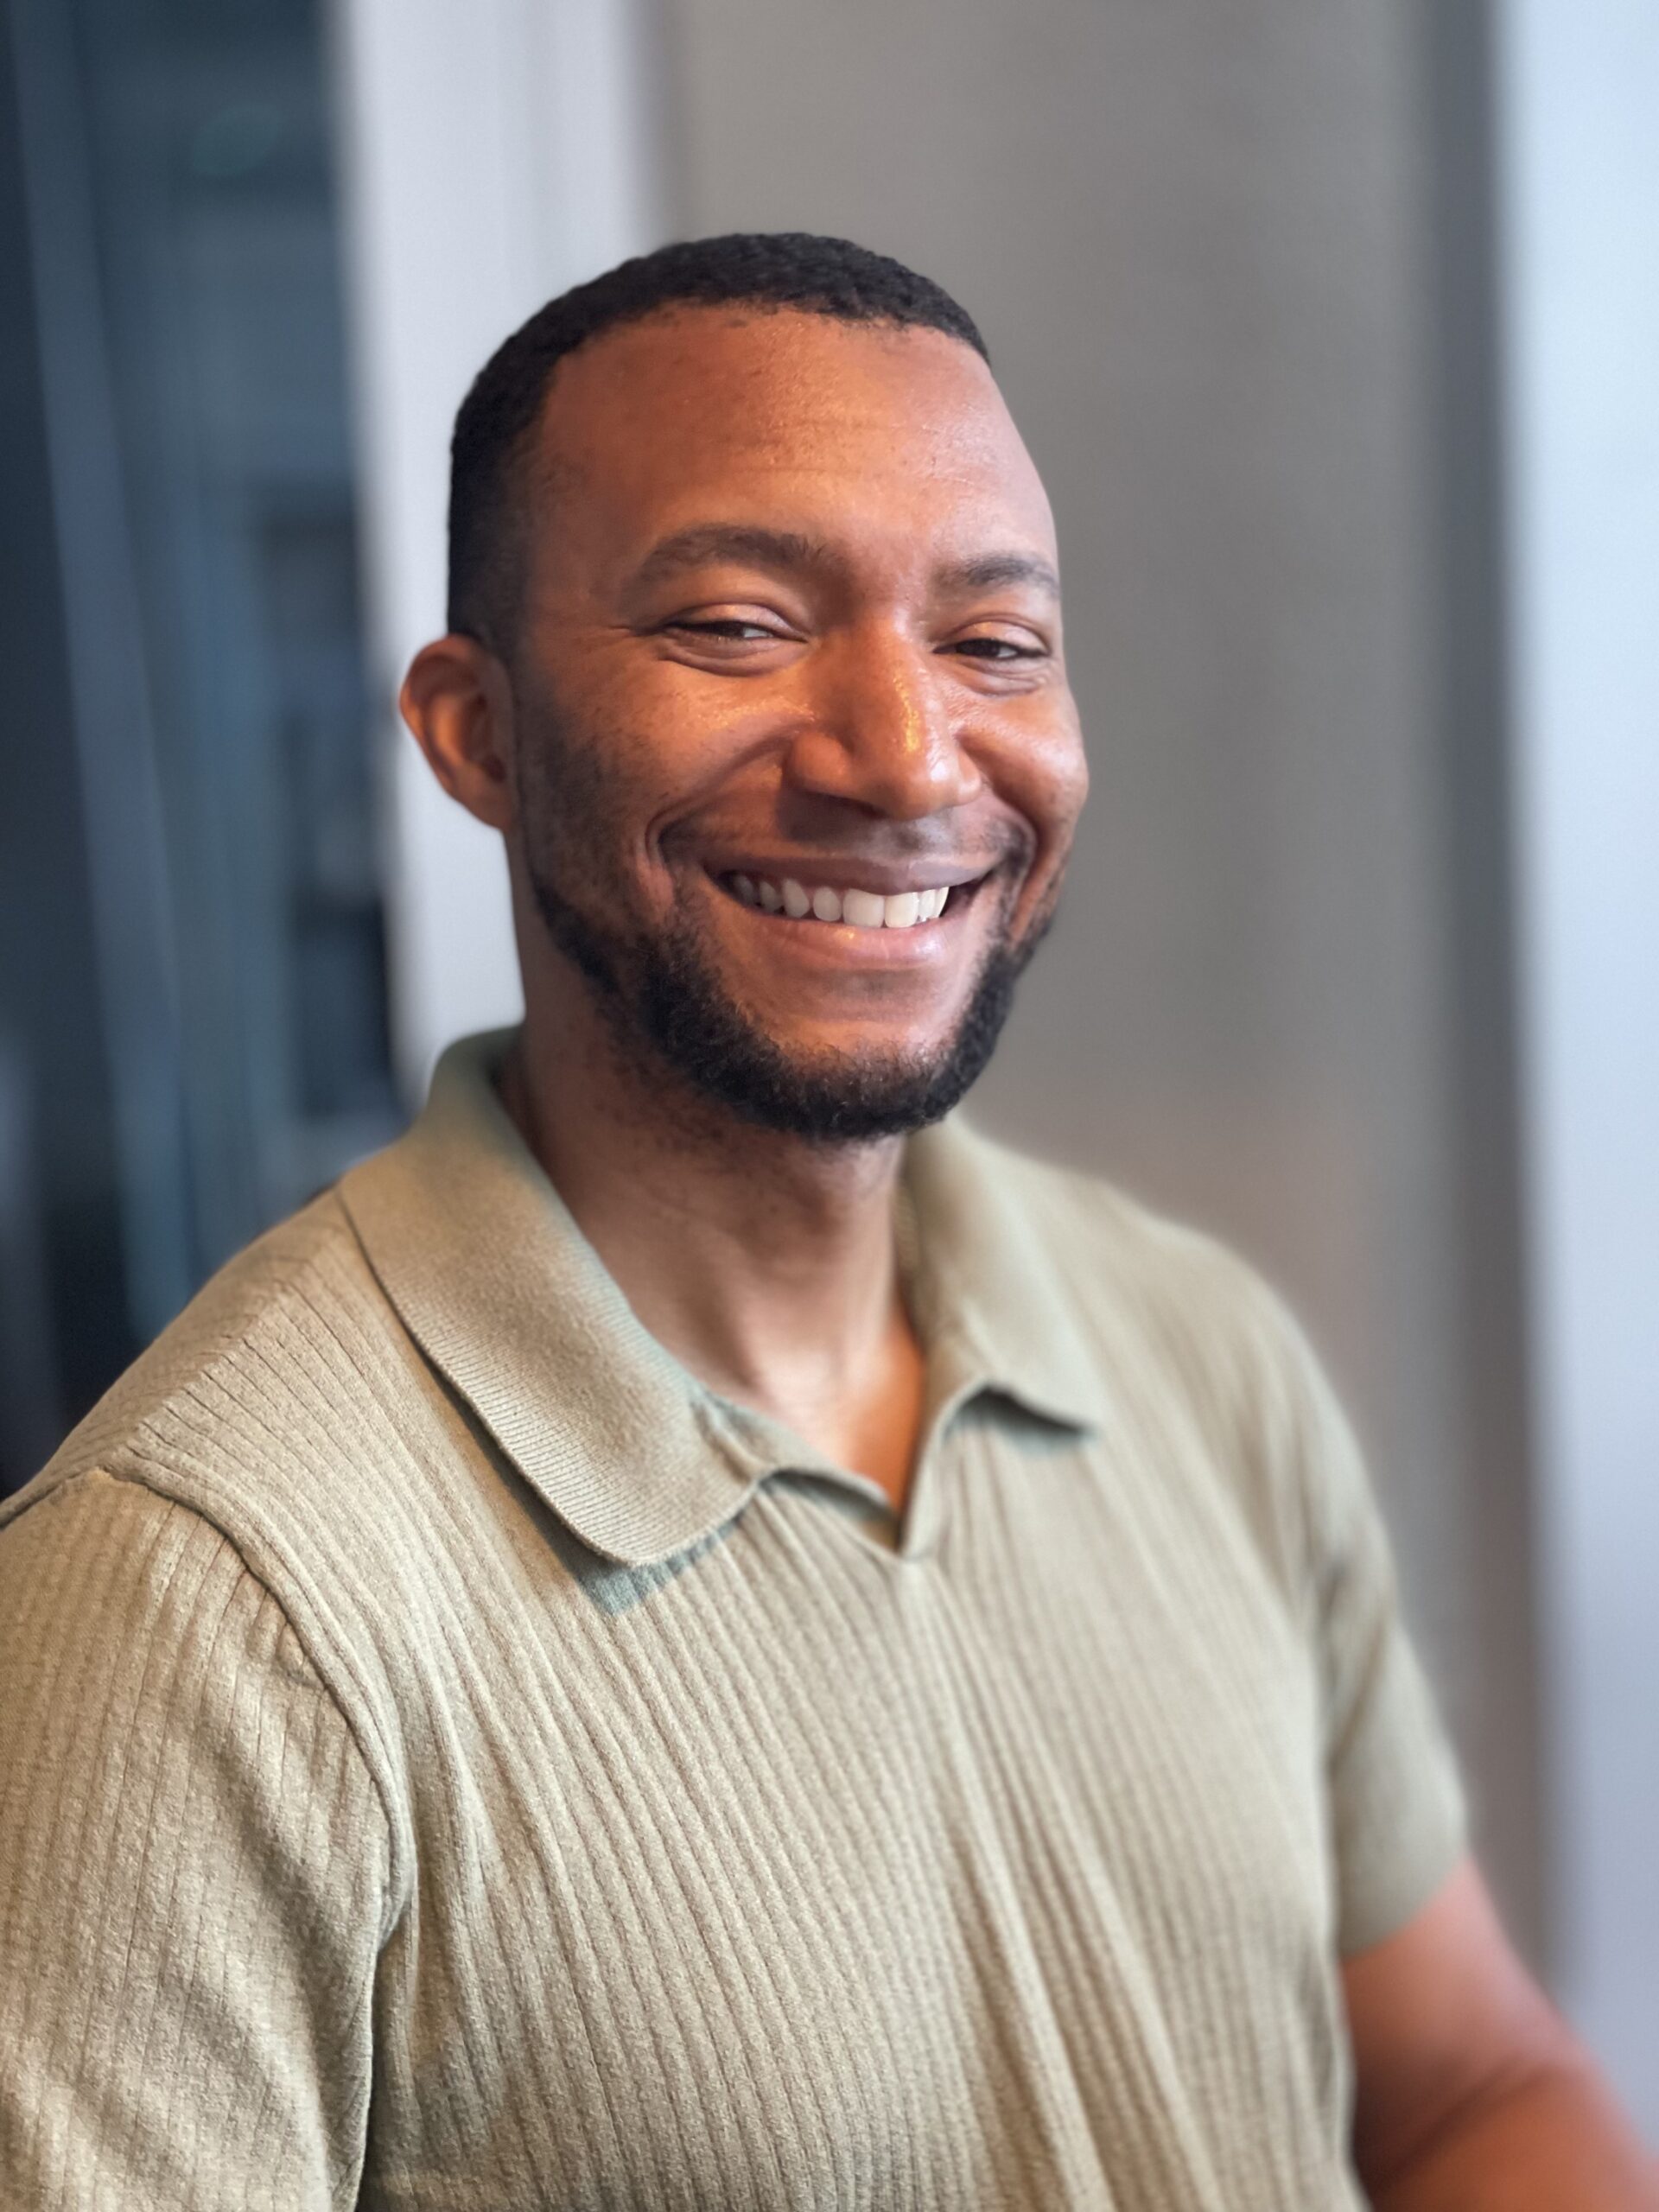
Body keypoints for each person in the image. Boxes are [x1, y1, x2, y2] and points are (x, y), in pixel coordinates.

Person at [0, 233, 1649, 2212]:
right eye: (736, 620)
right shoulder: (203, 1596)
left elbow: (1468, 2078)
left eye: (994, 642)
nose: (902, 755)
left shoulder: (1193, 1346)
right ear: (478, 731)